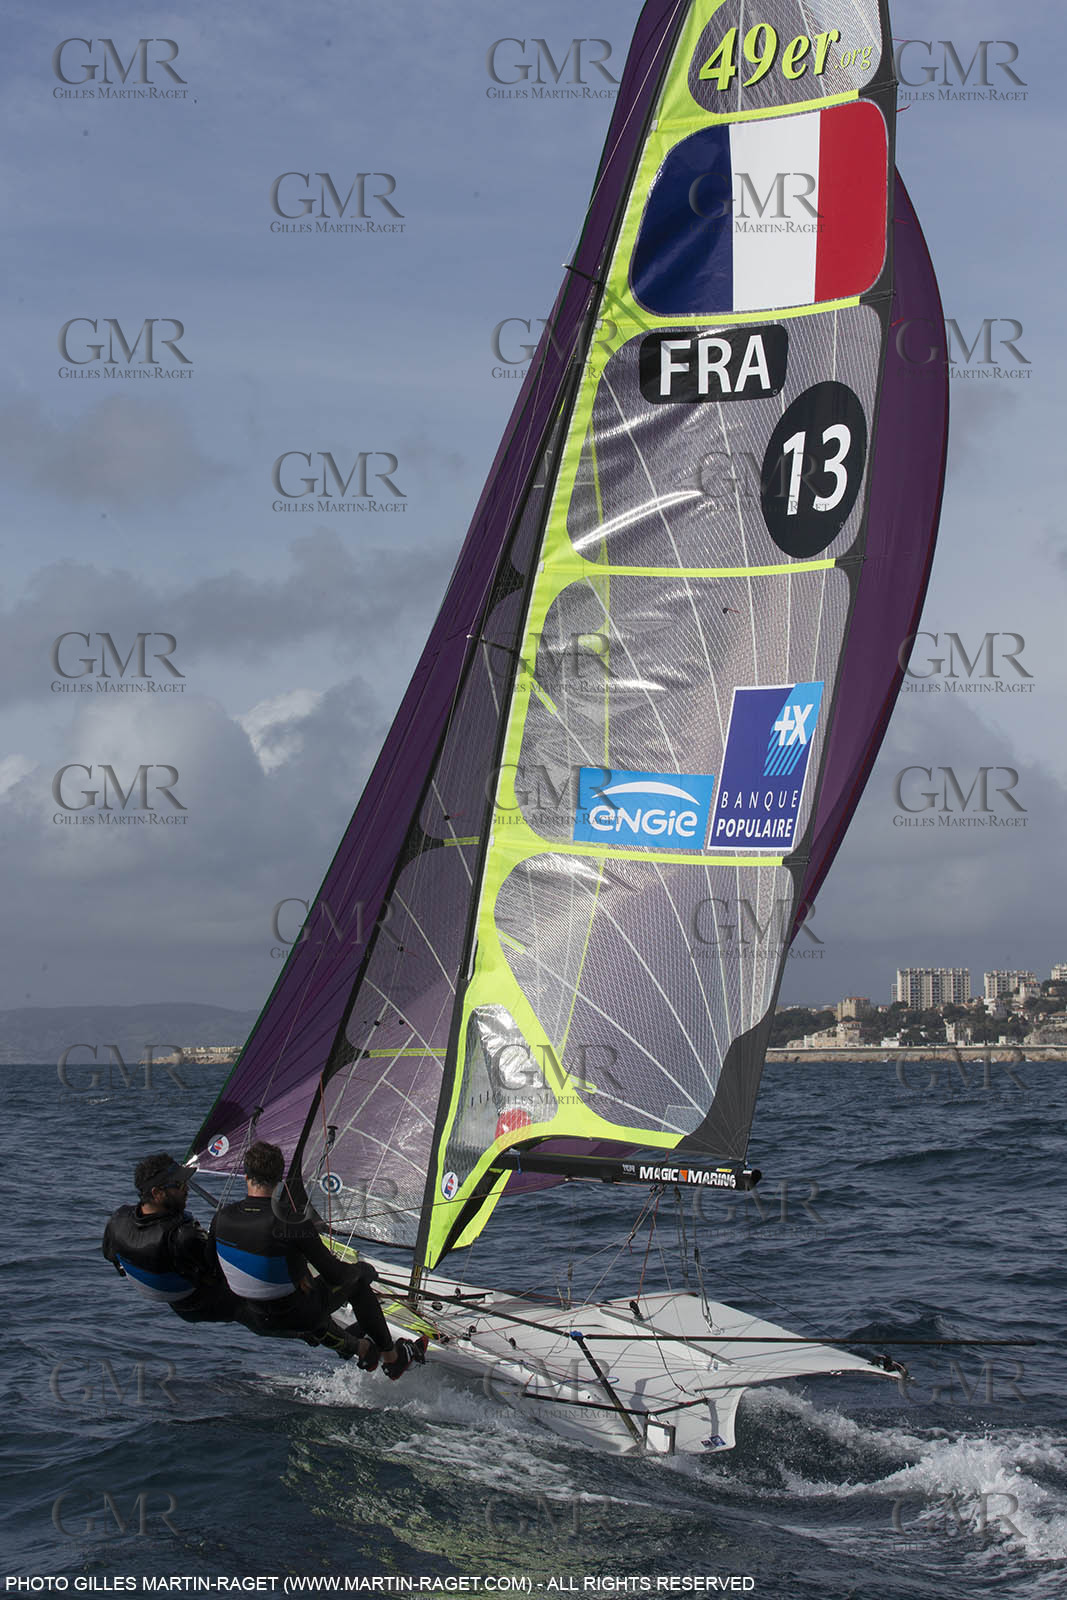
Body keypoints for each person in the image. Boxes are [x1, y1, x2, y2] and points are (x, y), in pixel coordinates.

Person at [211, 1140, 427, 1379]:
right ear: (279, 1180)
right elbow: (336, 1275)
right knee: (358, 1278)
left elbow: (216, 1269)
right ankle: (392, 1357)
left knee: (309, 1294)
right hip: (298, 1316)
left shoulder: (221, 1218)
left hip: (253, 1318)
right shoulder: (291, 1222)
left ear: (246, 1176)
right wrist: (361, 1270)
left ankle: (362, 1349)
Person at [102, 1151, 249, 1325]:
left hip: (174, 1300)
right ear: (157, 1193)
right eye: (179, 1185)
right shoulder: (182, 1236)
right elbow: (222, 1274)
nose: (186, 1189)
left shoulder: (118, 1220)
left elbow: (113, 1259)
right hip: (205, 1304)